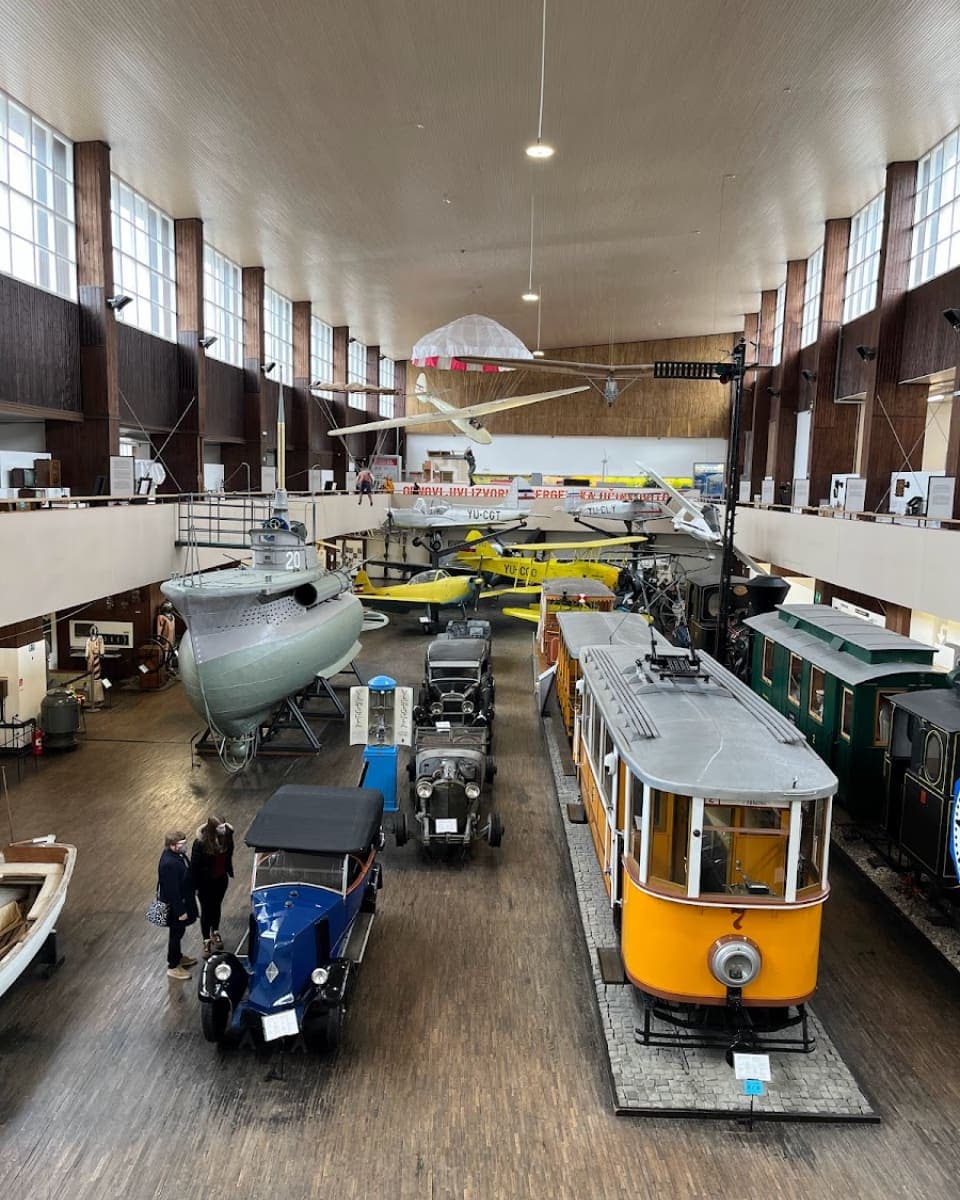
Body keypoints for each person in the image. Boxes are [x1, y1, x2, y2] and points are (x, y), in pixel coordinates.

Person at [190, 816, 235, 958]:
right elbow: (194, 866)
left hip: (221, 880)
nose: (223, 829)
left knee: (216, 907)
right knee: (206, 911)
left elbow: (229, 854)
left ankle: (215, 932)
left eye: (224, 826)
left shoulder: (226, 837)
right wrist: (195, 885)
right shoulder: (200, 843)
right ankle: (206, 940)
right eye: (220, 827)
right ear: (212, 829)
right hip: (205, 883)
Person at [157, 830, 199, 980]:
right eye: (182, 844)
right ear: (172, 846)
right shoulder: (169, 864)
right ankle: (173, 965)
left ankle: (178, 957)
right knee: (175, 935)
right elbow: (172, 891)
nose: (185, 846)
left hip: (181, 902)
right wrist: (181, 911)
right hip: (175, 908)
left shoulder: (175, 856)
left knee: (178, 933)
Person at [85, 625, 105, 707]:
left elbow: (101, 648)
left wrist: (101, 653)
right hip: (90, 660)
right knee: (90, 678)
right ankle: (91, 698)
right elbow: (87, 649)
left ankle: (98, 698)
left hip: (96, 658)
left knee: (97, 678)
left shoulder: (99, 639)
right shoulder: (88, 640)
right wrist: (87, 655)